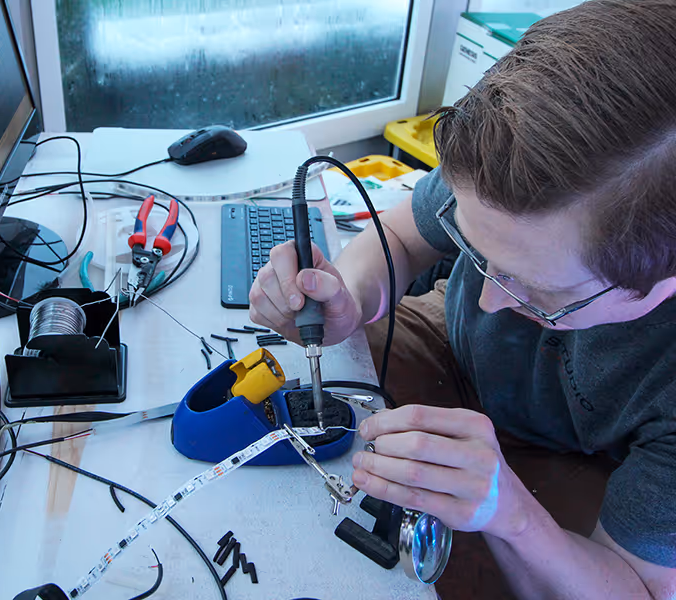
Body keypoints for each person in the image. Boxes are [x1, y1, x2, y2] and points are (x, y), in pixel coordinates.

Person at [249, 1, 676, 597]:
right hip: (447, 352)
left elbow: (640, 591)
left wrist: (513, 517)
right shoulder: (517, 164)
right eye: (476, 253)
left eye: (541, 292)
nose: (490, 304)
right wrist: (350, 297)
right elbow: (399, 237)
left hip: (585, 475)